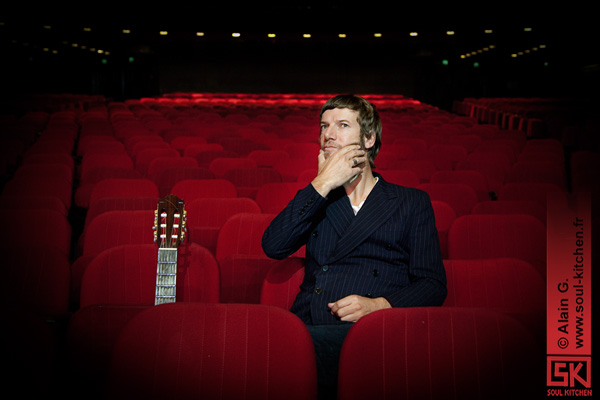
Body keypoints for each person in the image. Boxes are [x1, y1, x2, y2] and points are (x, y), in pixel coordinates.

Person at [261, 94, 447, 399]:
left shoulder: (410, 202)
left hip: (380, 330)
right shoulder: (317, 198)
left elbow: (433, 284)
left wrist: (379, 305)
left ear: (369, 138)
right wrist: (322, 183)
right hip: (314, 326)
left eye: (342, 125)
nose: (328, 134)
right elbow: (273, 245)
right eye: (324, 126)